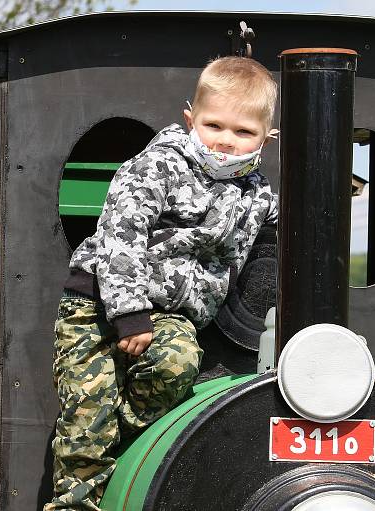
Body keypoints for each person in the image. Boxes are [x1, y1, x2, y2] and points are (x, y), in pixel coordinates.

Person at [47, 56, 279, 510]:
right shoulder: (157, 167)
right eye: (214, 126)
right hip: (97, 305)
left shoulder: (257, 193)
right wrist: (129, 312)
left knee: (177, 364)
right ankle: (75, 501)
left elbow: (285, 225)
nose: (227, 142)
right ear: (190, 119)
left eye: (243, 132)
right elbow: (121, 236)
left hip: (171, 315)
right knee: (84, 420)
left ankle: (124, 447)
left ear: (266, 139)